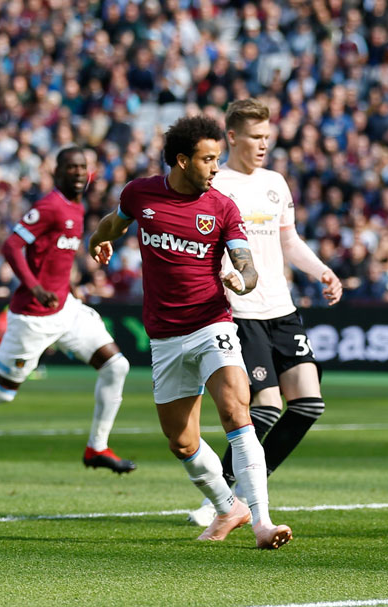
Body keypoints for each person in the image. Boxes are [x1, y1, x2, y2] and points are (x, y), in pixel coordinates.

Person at [87, 115, 291, 549]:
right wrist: (97, 241)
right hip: (164, 336)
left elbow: (247, 264)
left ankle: (262, 523)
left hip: (211, 323)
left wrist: (243, 279)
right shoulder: (140, 193)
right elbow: (115, 222)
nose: (216, 168)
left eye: (217, 158)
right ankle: (227, 507)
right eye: (208, 159)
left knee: (237, 411)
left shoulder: (221, 206)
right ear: (182, 160)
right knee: (181, 442)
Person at [0, 148, 135, 475]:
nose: (77, 172)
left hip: (66, 310)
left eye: (82, 167)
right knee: (2, 391)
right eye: (70, 167)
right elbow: (12, 245)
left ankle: (97, 447)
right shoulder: (49, 206)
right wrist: (34, 286)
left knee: (116, 366)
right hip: (32, 317)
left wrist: (91, 250)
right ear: (57, 172)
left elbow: (56, 255)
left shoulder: (76, 206)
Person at [187, 99, 343, 526]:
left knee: (309, 404)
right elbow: (207, 243)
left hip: (282, 308)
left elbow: (288, 241)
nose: (263, 146)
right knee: (267, 407)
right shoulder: (218, 185)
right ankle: (219, 498)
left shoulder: (275, 182)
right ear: (232, 136)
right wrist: (223, 274)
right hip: (241, 310)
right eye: (256, 137)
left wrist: (322, 271)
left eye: (267, 138)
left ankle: (248, 484)